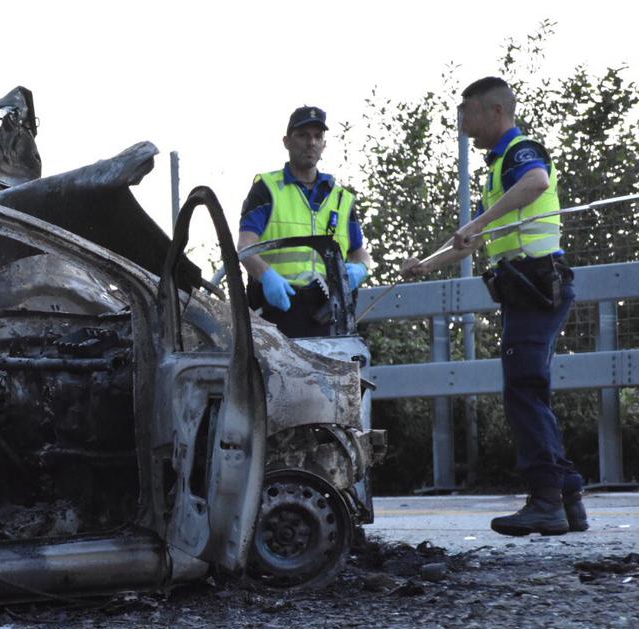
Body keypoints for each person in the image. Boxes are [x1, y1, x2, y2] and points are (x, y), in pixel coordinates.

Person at [403, 76, 587, 536]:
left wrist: (480, 219)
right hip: (526, 286)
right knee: (530, 388)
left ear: (494, 112)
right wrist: (426, 265)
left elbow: (537, 180)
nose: (462, 121)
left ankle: (546, 500)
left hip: (537, 284)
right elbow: (475, 240)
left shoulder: (519, 152)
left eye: (467, 111)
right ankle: (567, 494)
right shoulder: (497, 166)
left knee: (522, 387)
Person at [238, 106, 373, 338]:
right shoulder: (267, 189)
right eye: (302, 135)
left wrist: (361, 269)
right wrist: (267, 276)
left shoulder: (341, 199)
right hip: (277, 313)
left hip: (329, 315)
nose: (311, 142)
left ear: (324, 145)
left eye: (317, 136)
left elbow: (360, 253)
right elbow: (244, 247)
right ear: (286, 141)